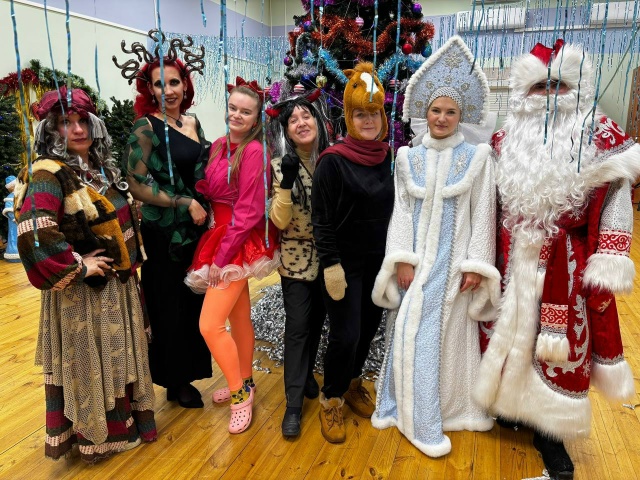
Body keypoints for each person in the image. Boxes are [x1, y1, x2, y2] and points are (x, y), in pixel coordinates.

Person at [473, 40, 640, 480]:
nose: (548, 95)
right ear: (523, 93)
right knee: (507, 336)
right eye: (539, 87)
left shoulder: (601, 136)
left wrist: (610, 256)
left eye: (558, 85)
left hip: (567, 263)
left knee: (560, 349)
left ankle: (551, 429)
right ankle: (509, 405)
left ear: (577, 88)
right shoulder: (504, 139)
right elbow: (488, 203)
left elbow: (616, 198)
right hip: (511, 255)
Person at [370, 35, 498, 458]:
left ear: (461, 115)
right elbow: (401, 213)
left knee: (448, 340)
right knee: (411, 334)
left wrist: (476, 263)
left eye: (450, 112)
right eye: (436, 110)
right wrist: (401, 260)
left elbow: (484, 213)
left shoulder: (478, 158)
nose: (442, 118)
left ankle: (445, 411)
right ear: (424, 112)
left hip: (455, 265)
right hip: (417, 267)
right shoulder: (408, 159)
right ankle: (409, 413)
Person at [14, 87, 157, 462]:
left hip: (118, 288)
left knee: (116, 362)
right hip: (84, 296)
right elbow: (33, 232)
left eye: (83, 121)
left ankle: (123, 426)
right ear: (51, 129)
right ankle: (95, 437)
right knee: (93, 365)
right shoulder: (47, 173)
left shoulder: (100, 168)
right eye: (66, 122)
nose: (77, 129)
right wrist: (79, 266)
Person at [114, 31, 212, 408]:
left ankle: (190, 370)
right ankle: (175, 379)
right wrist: (183, 201)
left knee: (194, 301)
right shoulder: (146, 127)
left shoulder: (193, 122)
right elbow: (136, 183)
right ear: (149, 89)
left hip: (196, 229)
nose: (168, 90)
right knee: (169, 304)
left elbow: (202, 171)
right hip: (164, 231)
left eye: (174, 82)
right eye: (160, 84)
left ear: (185, 85)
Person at [185, 77, 280, 434]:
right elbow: (214, 191)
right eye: (233, 108)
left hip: (236, 241)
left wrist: (222, 257)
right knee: (239, 318)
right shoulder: (218, 145)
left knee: (209, 324)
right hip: (218, 234)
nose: (237, 115)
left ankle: (240, 396)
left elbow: (251, 209)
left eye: (246, 111)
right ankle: (246, 381)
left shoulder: (254, 151)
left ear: (257, 118)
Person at [311, 62, 394, 444]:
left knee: (368, 330)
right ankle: (331, 397)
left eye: (373, 113)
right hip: (343, 264)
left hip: (378, 262)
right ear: (349, 116)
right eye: (360, 114)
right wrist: (331, 265)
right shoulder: (332, 160)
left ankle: (353, 383)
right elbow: (321, 219)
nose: (368, 120)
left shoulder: (388, 158)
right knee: (345, 334)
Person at [267, 91, 331, 438]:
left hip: (329, 258)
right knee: (297, 327)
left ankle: (306, 375)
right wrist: (286, 184)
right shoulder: (280, 166)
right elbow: (279, 221)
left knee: (318, 321)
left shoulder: (331, 160)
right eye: (293, 120)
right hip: (295, 260)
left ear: (317, 121)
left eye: (306, 116)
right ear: (287, 131)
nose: (301, 123)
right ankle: (293, 405)